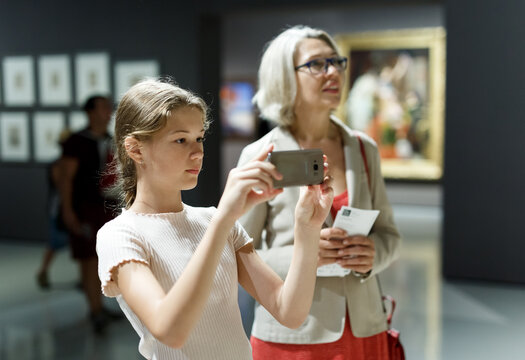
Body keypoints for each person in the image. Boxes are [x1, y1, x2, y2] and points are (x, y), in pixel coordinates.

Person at [95, 78, 334, 359]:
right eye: (180, 140)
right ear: (135, 149)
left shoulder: (212, 220)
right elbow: (170, 331)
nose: (197, 153)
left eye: (199, 138)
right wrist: (223, 220)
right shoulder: (120, 235)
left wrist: (307, 229)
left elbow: (289, 312)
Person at [237, 25, 402, 359]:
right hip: (292, 337)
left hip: (365, 328)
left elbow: (389, 236)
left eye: (336, 62)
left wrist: (372, 254)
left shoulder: (363, 148)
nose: (333, 72)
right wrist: (304, 256)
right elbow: (237, 254)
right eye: (316, 64)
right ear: (285, 77)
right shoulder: (262, 155)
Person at [60, 95, 119, 333]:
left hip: (106, 207)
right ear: (90, 112)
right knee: (88, 259)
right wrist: (67, 210)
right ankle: (94, 309)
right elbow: (65, 178)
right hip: (84, 208)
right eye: (104, 106)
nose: (108, 111)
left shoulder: (109, 140)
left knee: (103, 258)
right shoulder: (77, 141)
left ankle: (100, 305)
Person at [36, 131, 71, 289]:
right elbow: (60, 184)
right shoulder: (57, 164)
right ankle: (42, 271)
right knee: (54, 243)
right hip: (58, 210)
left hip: (68, 208)